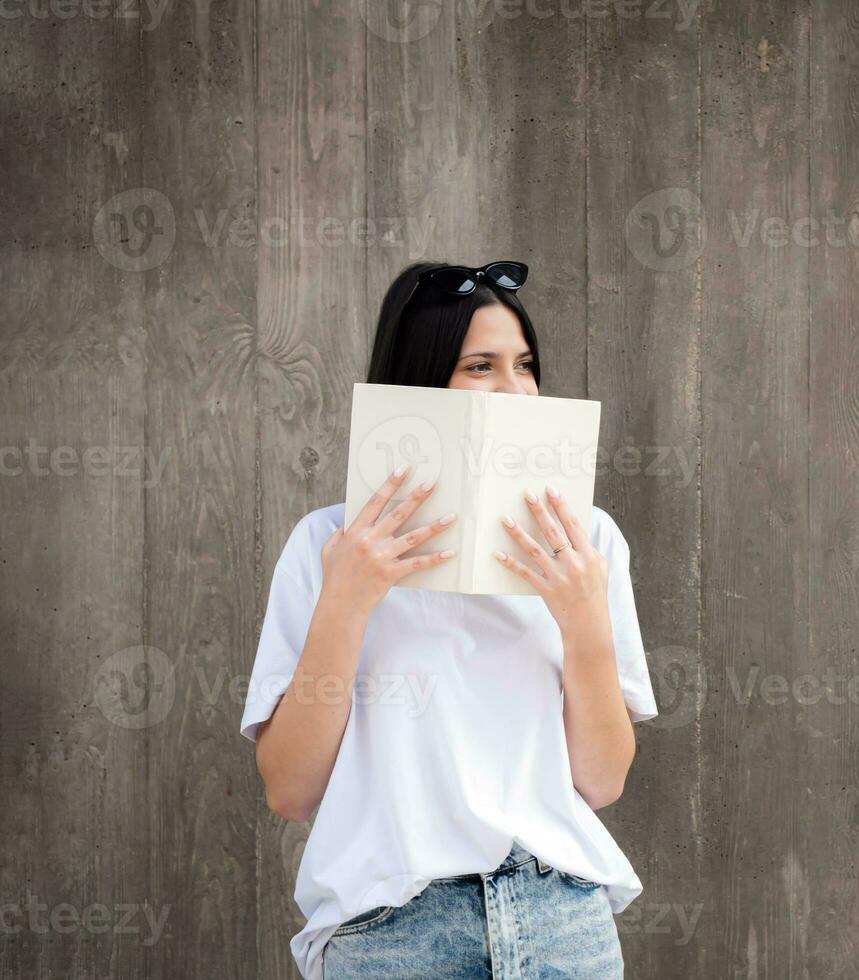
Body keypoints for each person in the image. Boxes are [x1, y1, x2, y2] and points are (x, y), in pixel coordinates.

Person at [239, 260, 658, 980]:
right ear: (421, 383)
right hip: (392, 930)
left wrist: (583, 619)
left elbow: (602, 781)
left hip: (561, 920)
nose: (516, 388)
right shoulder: (326, 545)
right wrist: (349, 596)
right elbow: (290, 789)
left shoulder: (588, 542)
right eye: (480, 366)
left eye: (525, 365)